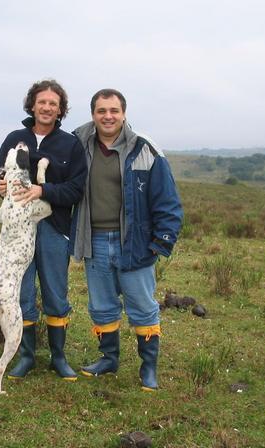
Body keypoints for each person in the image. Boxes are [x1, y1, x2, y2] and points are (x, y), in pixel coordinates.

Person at [71, 88, 183, 391]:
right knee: (102, 305)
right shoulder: (78, 145)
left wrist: (160, 243)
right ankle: (109, 358)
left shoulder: (146, 150)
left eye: (114, 111)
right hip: (92, 240)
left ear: (123, 114)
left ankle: (149, 367)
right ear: (93, 114)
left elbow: (168, 201)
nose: (108, 116)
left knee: (142, 306)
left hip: (133, 242)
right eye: (101, 111)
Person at [0, 79, 87, 381]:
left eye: (53, 104)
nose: (47, 108)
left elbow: (76, 188)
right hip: (18, 231)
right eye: (42, 102)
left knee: (56, 295)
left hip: (54, 228)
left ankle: (59, 358)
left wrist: (42, 190)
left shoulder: (70, 144)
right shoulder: (15, 137)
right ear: (32, 105)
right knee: (22, 293)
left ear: (60, 111)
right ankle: (26, 356)